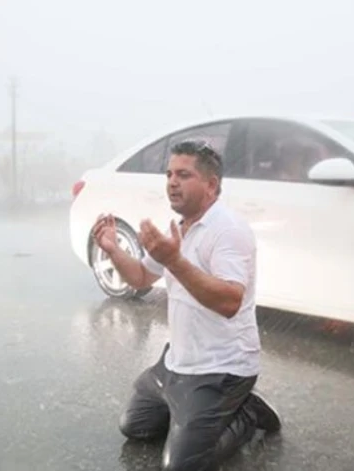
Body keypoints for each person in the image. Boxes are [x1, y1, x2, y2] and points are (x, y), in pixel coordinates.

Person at [91, 139, 281, 471]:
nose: (172, 183)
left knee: (181, 465)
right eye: (168, 174)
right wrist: (113, 249)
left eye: (183, 175)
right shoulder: (177, 229)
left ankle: (247, 413)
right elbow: (139, 278)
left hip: (222, 369)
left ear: (211, 184)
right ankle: (194, 414)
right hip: (176, 363)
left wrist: (175, 261)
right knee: (135, 426)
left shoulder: (228, 230)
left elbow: (229, 301)